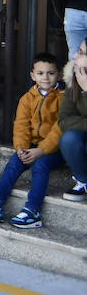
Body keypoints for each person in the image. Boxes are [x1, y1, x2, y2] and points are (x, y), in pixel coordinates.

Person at [0, 53, 66, 228]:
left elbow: (60, 129)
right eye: (40, 73)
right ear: (32, 75)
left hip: (55, 149)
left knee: (40, 166)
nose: (45, 77)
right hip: (31, 146)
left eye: (51, 73)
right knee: (14, 162)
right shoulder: (27, 98)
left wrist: (41, 151)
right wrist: (22, 148)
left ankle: (32, 211)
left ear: (59, 75)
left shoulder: (64, 98)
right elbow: (21, 125)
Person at [60, 40, 87, 204]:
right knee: (69, 139)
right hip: (82, 137)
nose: (76, 56)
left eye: (82, 53)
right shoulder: (74, 78)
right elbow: (64, 119)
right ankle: (83, 182)